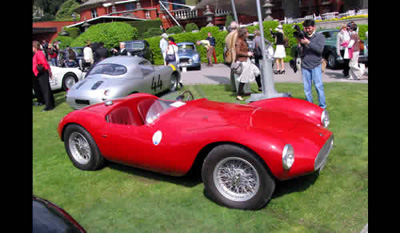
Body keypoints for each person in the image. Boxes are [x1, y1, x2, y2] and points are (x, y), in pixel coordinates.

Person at [299, 19, 326, 109]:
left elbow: (319, 50)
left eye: (309, 28)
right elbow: (300, 52)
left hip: (316, 65)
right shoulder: (303, 37)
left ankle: (322, 107)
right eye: (306, 28)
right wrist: (300, 45)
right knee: (307, 89)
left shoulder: (320, 37)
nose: (308, 30)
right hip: (305, 66)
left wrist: (309, 43)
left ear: (314, 27)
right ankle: (310, 106)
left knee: (318, 86)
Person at [235, 27, 260, 101]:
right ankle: (239, 95)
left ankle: (260, 87)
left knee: (257, 71)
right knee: (244, 78)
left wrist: (250, 53)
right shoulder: (238, 41)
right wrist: (247, 53)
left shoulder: (244, 40)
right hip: (243, 61)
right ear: (244, 34)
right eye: (247, 32)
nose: (248, 33)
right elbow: (237, 52)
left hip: (247, 60)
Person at [32, 40, 55, 111]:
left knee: (45, 90)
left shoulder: (39, 53)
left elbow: (44, 63)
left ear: (34, 47)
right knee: (47, 89)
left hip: (42, 73)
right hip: (42, 73)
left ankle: (48, 106)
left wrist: (43, 68)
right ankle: (51, 104)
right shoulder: (38, 53)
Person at [225, 21, 239, 91]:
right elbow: (236, 46)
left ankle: (233, 87)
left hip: (230, 55)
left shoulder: (227, 36)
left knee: (232, 72)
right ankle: (238, 88)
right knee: (238, 71)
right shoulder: (236, 34)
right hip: (236, 55)